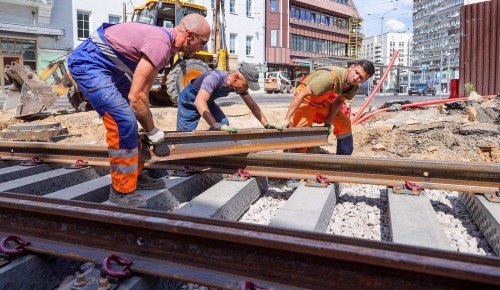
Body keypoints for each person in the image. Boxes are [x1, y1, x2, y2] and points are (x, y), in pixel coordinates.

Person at [68, 14, 211, 207]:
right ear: (190, 36)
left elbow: (140, 99)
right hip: (89, 63)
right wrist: (152, 130)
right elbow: (137, 98)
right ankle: (121, 190)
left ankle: (134, 176)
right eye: (202, 43)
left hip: (108, 67)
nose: (202, 48)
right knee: (123, 121)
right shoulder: (161, 45)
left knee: (134, 115)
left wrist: (149, 125)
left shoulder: (166, 47)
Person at [277, 60, 375, 154]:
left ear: (364, 80)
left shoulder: (354, 87)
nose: (355, 78)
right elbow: (301, 95)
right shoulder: (329, 78)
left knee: (344, 123)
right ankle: (295, 161)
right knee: (301, 135)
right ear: (351, 67)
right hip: (306, 100)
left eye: (361, 77)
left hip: (321, 101)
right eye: (356, 72)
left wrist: (329, 121)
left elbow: (339, 100)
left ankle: (343, 159)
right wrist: (287, 119)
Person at [176, 63, 281, 132]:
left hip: (207, 101)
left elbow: (252, 104)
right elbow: (199, 102)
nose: (246, 89)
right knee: (185, 135)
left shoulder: (238, 86)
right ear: (236, 78)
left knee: (223, 124)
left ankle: (205, 151)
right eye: (246, 85)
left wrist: (266, 123)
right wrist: (214, 125)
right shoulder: (213, 78)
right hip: (189, 101)